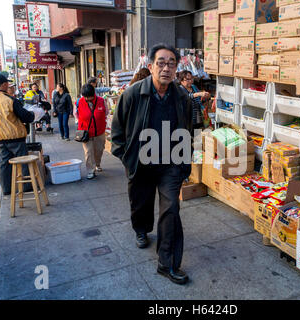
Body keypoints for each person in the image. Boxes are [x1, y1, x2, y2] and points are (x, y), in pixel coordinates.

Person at [111, 43, 193, 285]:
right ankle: (141, 229)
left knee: (171, 211)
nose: (166, 68)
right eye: (161, 62)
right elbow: (117, 132)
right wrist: (127, 157)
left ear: (176, 68)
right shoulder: (132, 94)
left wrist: (184, 165)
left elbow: (187, 131)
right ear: (150, 66)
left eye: (171, 63)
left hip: (170, 163)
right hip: (141, 161)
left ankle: (167, 264)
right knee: (141, 203)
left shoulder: (182, 97)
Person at [0, 74, 35, 196]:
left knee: (4, 164)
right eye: (7, 83)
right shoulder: (10, 100)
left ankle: (6, 189)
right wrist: (33, 114)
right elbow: (26, 117)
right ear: (4, 84)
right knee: (22, 163)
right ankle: (26, 186)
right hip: (15, 137)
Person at [77, 84, 107, 180]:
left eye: (88, 96)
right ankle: (91, 170)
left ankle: (97, 164)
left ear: (93, 94)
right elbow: (75, 114)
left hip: (100, 131)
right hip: (86, 132)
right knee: (89, 152)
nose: (86, 98)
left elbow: (106, 112)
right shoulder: (79, 102)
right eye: (84, 96)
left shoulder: (101, 101)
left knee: (99, 150)